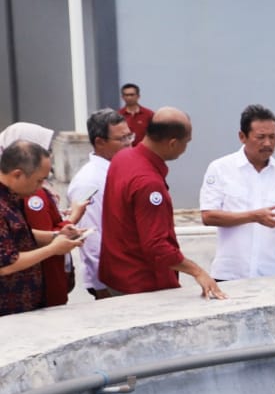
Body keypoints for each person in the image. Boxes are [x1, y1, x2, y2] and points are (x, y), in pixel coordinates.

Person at [99, 107, 225, 299]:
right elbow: (156, 246)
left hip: (117, 276)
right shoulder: (149, 183)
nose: (186, 149)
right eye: (186, 143)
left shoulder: (123, 157)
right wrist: (197, 271)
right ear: (173, 143)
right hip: (141, 286)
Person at [200, 105, 275, 280]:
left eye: (272, 137)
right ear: (242, 136)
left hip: (272, 274)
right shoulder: (220, 168)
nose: (268, 143)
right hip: (229, 274)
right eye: (260, 137)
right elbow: (208, 216)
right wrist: (254, 216)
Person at [0, 123, 86, 307]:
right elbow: (6, 264)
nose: (40, 188)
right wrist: (53, 249)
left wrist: (58, 236)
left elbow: (19, 235)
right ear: (17, 174)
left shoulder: (13, 196)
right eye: (39, 181)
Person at [67, 108, 132, 299]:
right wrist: (103, 286)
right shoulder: (89, 181)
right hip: (111, 282)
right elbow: (92, 238)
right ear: (100, 142)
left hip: (128, 274)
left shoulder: (120, 169)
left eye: (130, 136)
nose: (129, 144)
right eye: (122, 139)